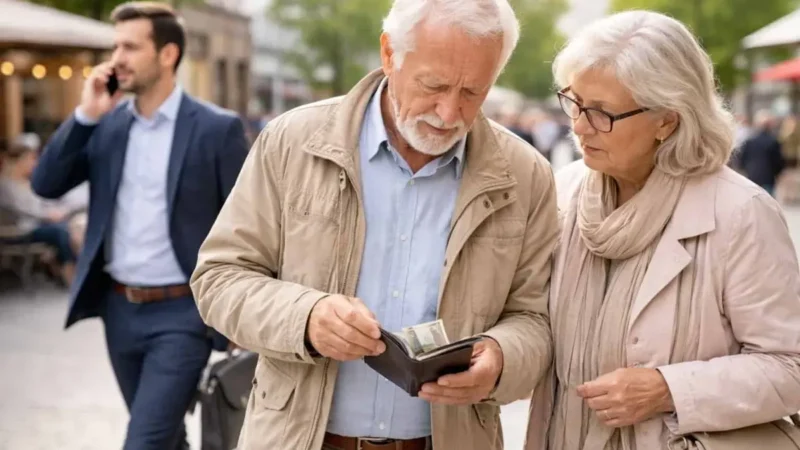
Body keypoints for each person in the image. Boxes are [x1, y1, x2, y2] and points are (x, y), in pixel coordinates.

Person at [190, 0, 559, 449]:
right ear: (389, 54)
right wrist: (305, 317)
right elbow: (219, 278)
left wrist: (503, 358)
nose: (448, 113)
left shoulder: (526, 175)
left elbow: (534, 319)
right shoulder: (291, 142)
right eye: (434, 85)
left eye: (472, 93)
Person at [524, 11, 800, 450]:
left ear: (667, 121)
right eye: (573, 101)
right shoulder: (563, 190)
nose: (577, 125)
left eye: (601, 113)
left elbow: (790, 367)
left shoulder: (742, 213)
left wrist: (667, 388)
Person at [30, 2, 249, 449]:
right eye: (116, 46)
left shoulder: (216, 129)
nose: (117, 59)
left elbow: (248, 225)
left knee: (144, 442)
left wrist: (240, 321)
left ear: (168, 54)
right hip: (120, 312)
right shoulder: (106, 126)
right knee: (165, 437)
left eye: (130, 47)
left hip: (184, 313)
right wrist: (86, 115)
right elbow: (46, 183)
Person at [0, 141, 76, 285]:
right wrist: (47, 215)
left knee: (68, 227)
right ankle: (67, 271)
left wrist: (55, 211)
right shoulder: (6, 184)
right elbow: (22, 208)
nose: (35, 163)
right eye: (31, 159)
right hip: (18, 230)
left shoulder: (29, 183)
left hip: (35, 226)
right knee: (60, 231)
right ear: (20, 160)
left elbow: (42, 203)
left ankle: (61, 266)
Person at [738, 110, 785, 196]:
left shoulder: (749, 141)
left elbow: (742, 160)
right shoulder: (773, 141)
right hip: (768, 178)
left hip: (752, 177)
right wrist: (777, 173)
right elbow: (778, 162)